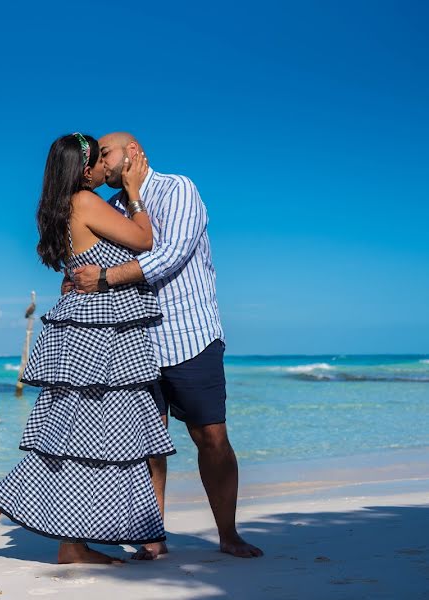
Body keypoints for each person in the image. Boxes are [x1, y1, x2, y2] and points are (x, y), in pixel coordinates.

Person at [0, 133, 175, 566]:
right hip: (96, 337)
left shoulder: (64, 206)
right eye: (98, 161)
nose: (104, 168)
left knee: (88, 442)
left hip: (90, 333)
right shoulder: (84, 202)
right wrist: (134, 194)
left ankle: (72, 545)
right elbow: (144, 240)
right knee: (78, 439)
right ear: (84, 170)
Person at [70, 131, 264, 559]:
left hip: (190, 335)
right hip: (137, 341)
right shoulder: (114, 208)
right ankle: (153, 538)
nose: (101, 165)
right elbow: (94, 257)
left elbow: (170, 254)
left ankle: (228, 535)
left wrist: (104, 278)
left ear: (133, 153)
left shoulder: (178, 189)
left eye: (106, 154)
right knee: (149, 446)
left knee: (211, 437)